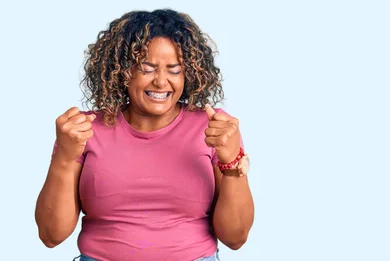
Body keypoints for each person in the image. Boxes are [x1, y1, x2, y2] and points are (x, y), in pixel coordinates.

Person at [34, 9, 254, 261]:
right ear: (122, 71)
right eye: (147, 68)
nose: (161, 82)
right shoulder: (84, 130)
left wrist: (232, 163)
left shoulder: (214, 127)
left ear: (189, 74)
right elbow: (51, 235)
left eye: (174, 70)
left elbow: (236, 239)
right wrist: (63, 158)